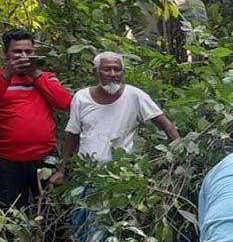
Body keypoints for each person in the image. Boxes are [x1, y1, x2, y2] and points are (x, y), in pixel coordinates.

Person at [51, 51, 180, 182]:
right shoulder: (81, 97)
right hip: (87, 173)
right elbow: (73, 135)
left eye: (117, 70)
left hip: (123, 174)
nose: (113, 74)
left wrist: (182, 152)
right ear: (96, 72)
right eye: (107, 69)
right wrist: (62, 170)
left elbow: (166, 125)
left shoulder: (135, 95)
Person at [0, 28, 72, 207]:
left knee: (51, 211)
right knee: (12, 215)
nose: (23, 56)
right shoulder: (2, 78)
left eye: (28, 52)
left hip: (45, 158)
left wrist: (36, 74)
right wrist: (8, 74)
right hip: (8, 160)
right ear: (6, 55)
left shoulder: (46, 78)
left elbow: (64, 103)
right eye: (17, 52)